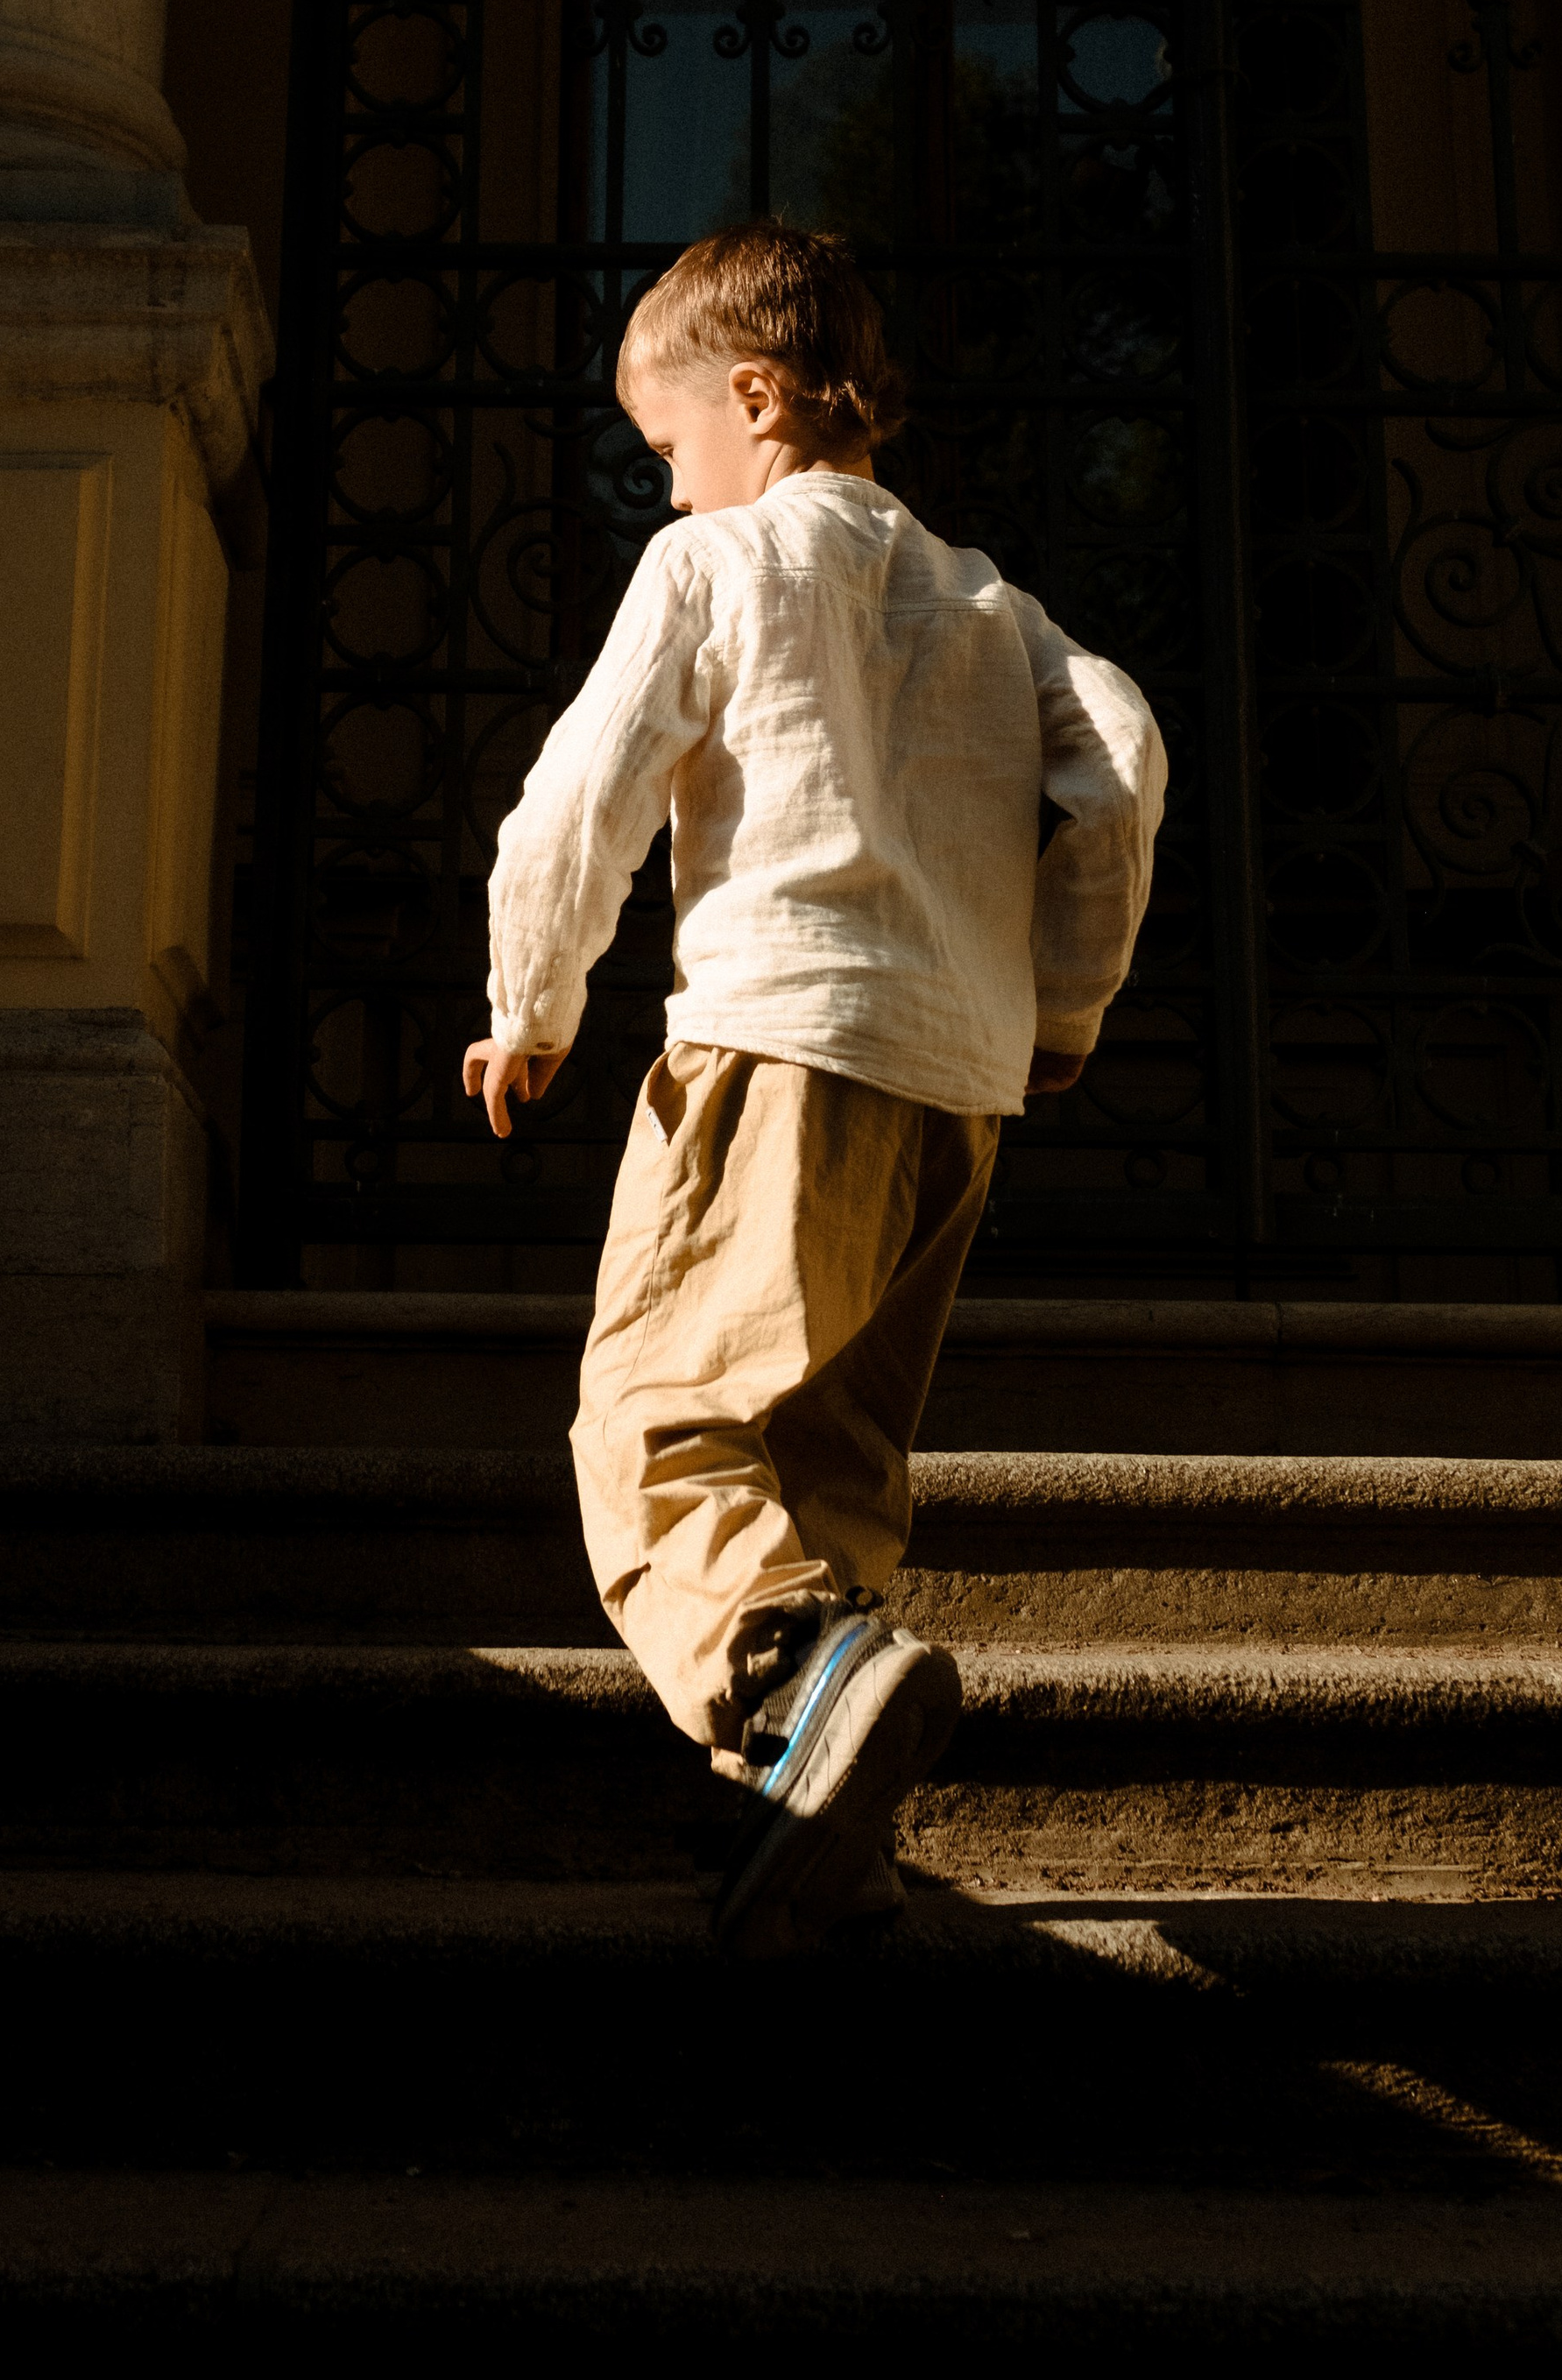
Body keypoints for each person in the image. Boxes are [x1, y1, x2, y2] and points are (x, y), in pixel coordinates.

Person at [464, 221, 1165, 1956]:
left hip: (772, 1045)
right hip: (950, 1089)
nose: (664, 485)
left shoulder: (714, 564)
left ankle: (786, 1672)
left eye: (664, 448)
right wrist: (1063, 997)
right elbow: (1124, 766)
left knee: (660, 1424)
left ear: (753, 401)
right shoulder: (993, 601)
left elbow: (584, 793)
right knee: (830, 1458)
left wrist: (529, 997)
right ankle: (815, 1798)